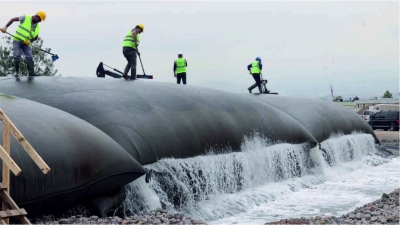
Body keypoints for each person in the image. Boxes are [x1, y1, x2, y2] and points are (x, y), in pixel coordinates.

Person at [0, 11, 46, 77]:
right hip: (17, 40)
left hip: (26, 44)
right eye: (39, 19)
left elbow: (35, 38)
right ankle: (16, 73)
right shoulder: (25, 17)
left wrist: (29, 41)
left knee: (29, 56)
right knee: (17, 55)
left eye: (41, 20)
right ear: (36, 16)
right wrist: (5, 27)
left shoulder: (37, 27)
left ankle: (31, 73)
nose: (39, 21)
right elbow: (13, 19)